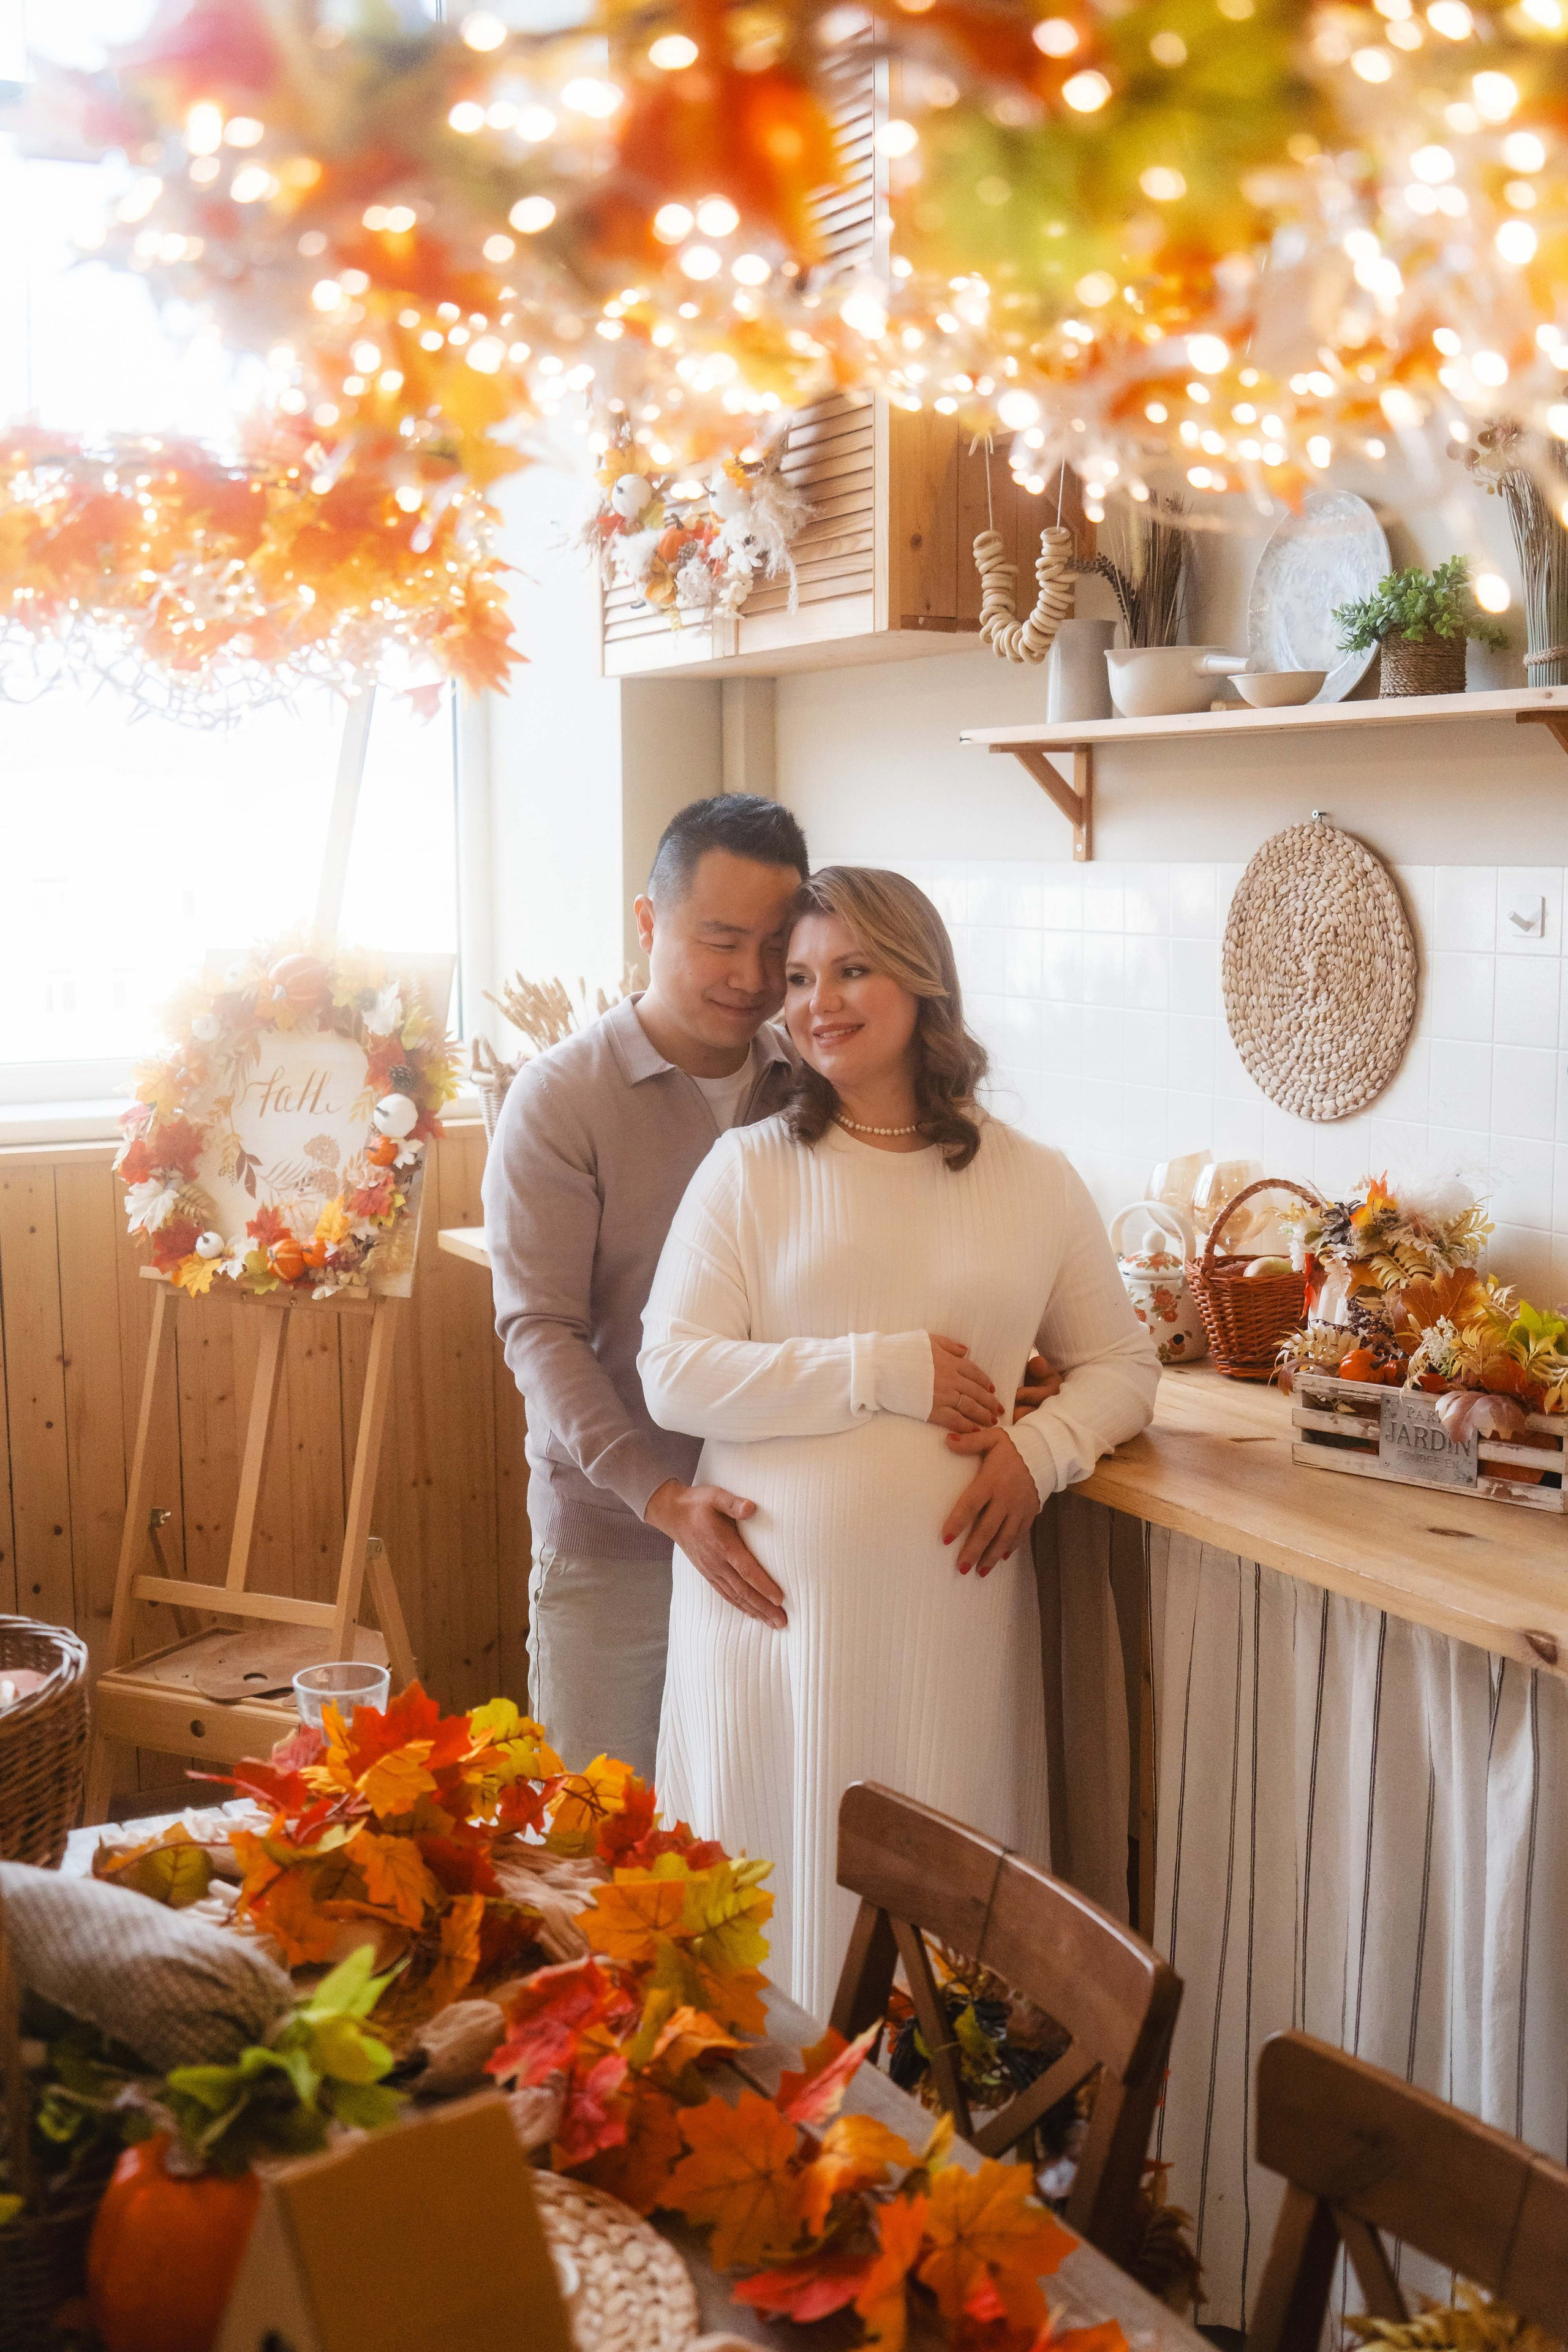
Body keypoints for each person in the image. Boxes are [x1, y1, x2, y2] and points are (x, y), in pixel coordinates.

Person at [639, 866, 1159, 2016]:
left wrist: (1042, 1452)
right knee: (762, 1937)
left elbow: (1124, 1366)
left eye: (853, 969)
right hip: (771, 1632)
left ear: (923, 981)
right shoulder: (750, 1171)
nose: (818, 1003)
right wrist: (877, 1370)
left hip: (947, 1626)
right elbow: (672, 1373)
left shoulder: (1034, 1179)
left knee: (943, 1958)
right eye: (799, 979)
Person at [483, 793, 810, 1782]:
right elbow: (540, 1332)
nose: (750, 977)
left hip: (784, 1537)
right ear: (647, 922)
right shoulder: (560, 1098)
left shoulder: (811, 1088)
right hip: (617, 1544)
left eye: (775, 947)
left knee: (748, 1837)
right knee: (601, 1838)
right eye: (720, 940)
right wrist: (661, 1498)